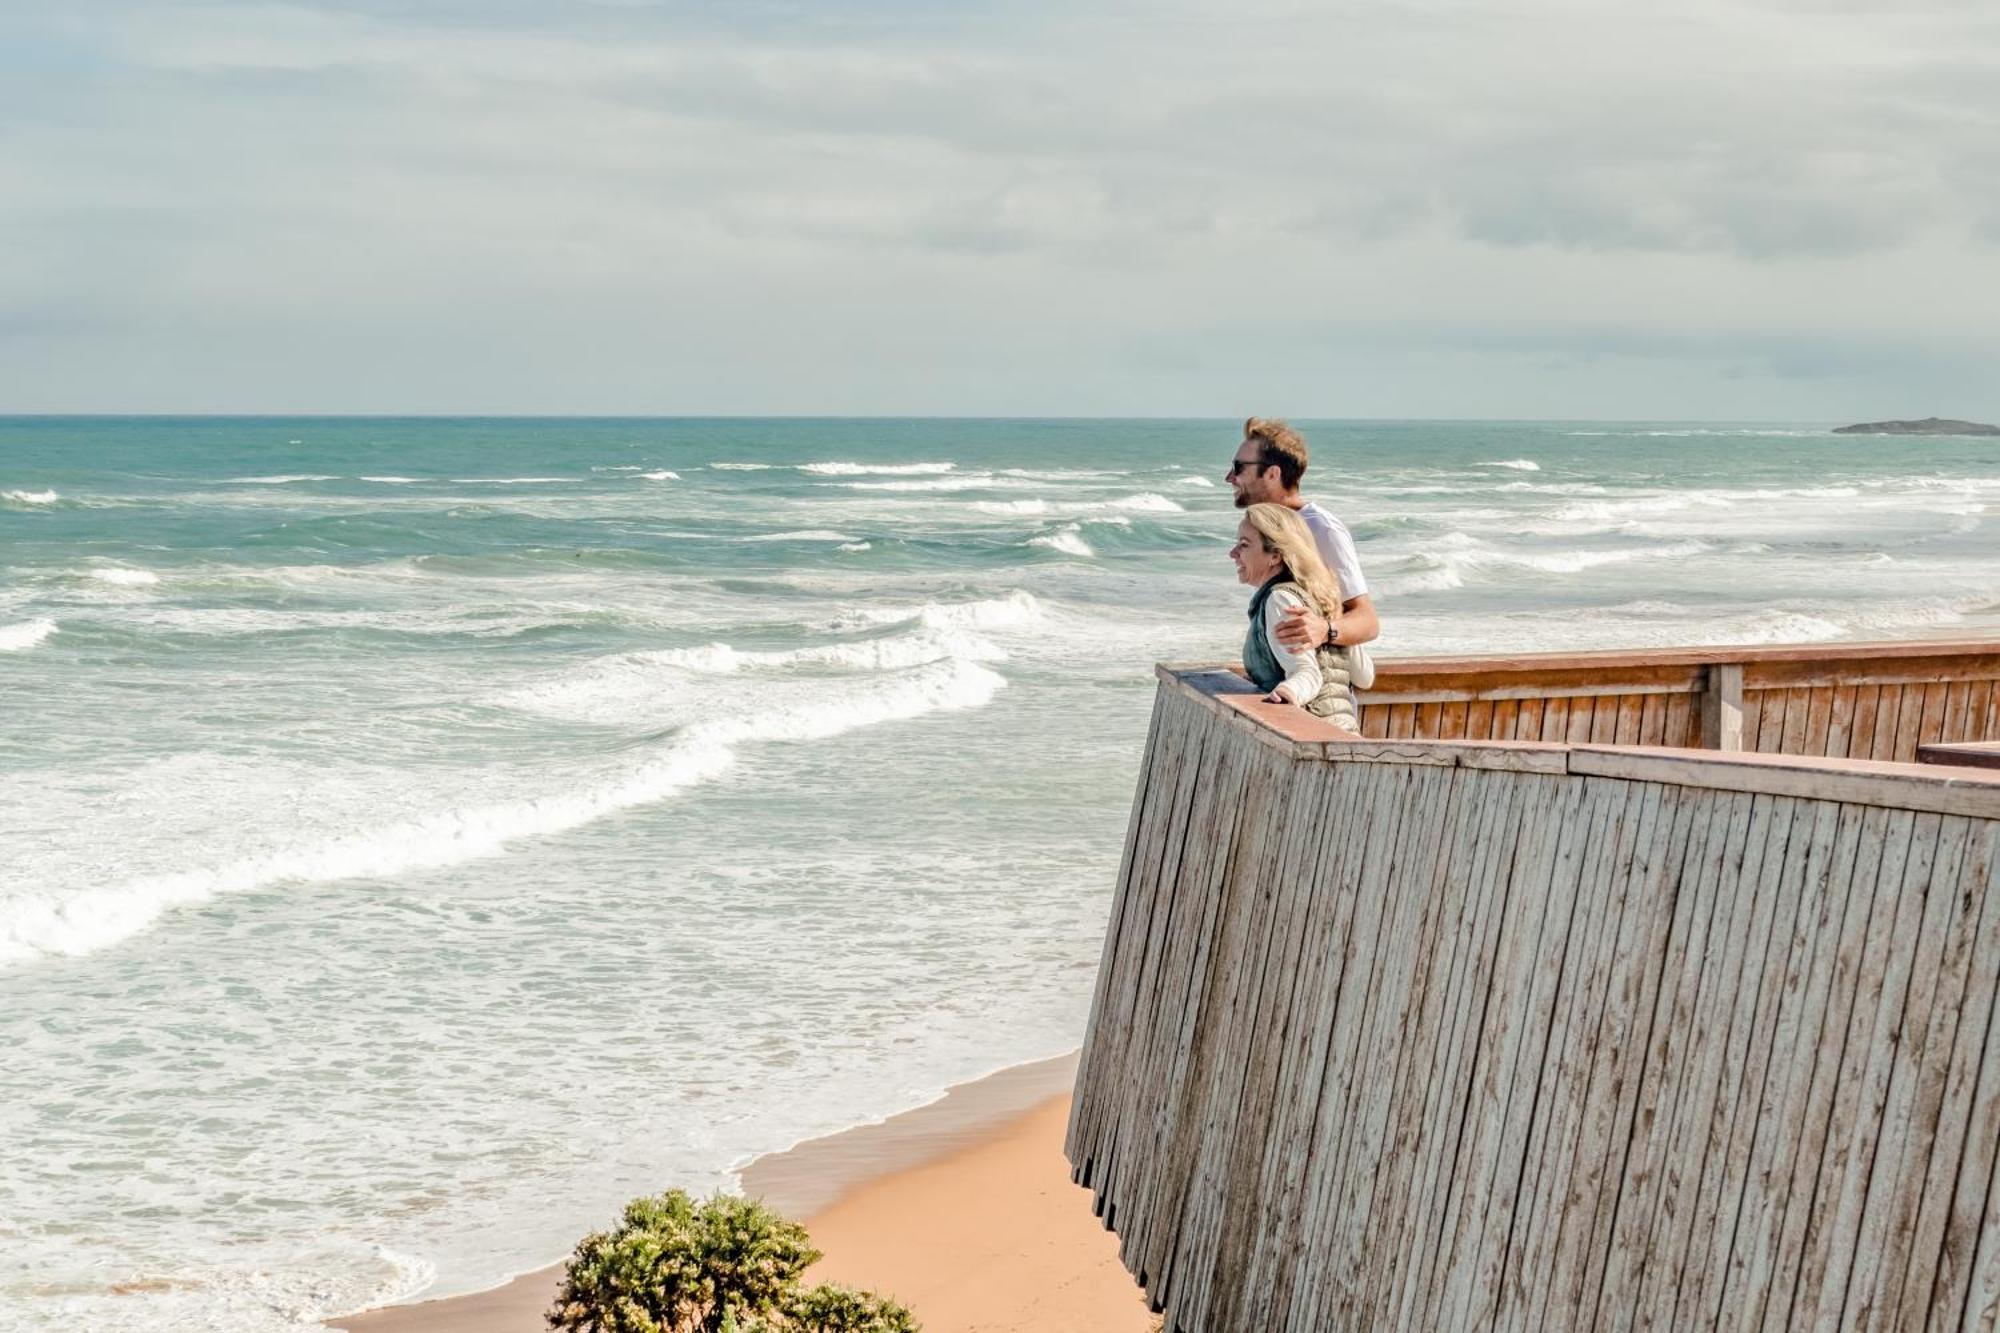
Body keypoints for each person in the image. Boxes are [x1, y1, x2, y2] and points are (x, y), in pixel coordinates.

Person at [1226, 418, 1379, 655]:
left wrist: (1326, 630)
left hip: (1319, 688)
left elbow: (1368, 622)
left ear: (1272, 474)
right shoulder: (1259, 527)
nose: (1229, 477)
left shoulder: (1321, 528)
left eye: (1238, 468)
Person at [1231, 503, 1358, 729]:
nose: (1233, 553)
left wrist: (1284, 692)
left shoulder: (1281, 600)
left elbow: (1308, 673)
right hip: (1347, 734)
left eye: (1244, 545)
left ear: (1275, 556)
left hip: (1316, 737)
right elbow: (1363, 675)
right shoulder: (1321, 596)